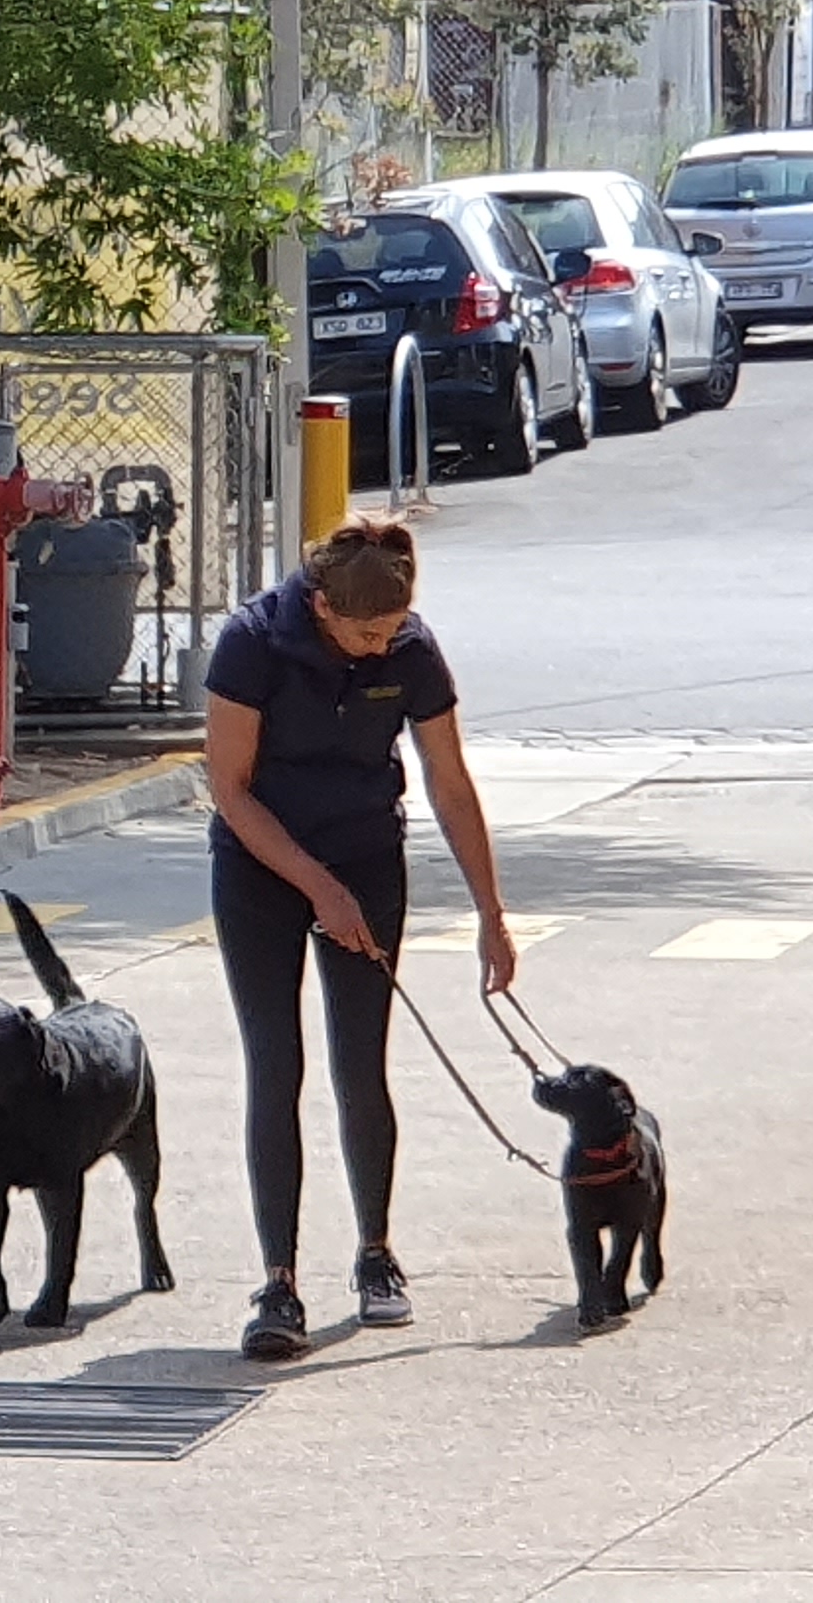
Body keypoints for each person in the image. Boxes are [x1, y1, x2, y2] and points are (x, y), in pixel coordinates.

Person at [200, 515, 517, 1361]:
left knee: (360, 1060)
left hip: (366, 852)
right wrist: (316, 889)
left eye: (392, 631)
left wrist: (490, 910)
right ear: (321, 605)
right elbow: (230, 789)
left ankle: (376, 1254)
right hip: (263, 858)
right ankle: (279, 1281)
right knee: (277, 1065)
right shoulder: (253, 643)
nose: (381, 648)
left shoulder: (411, 650)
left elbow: (449, 783)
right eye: (364, 633)